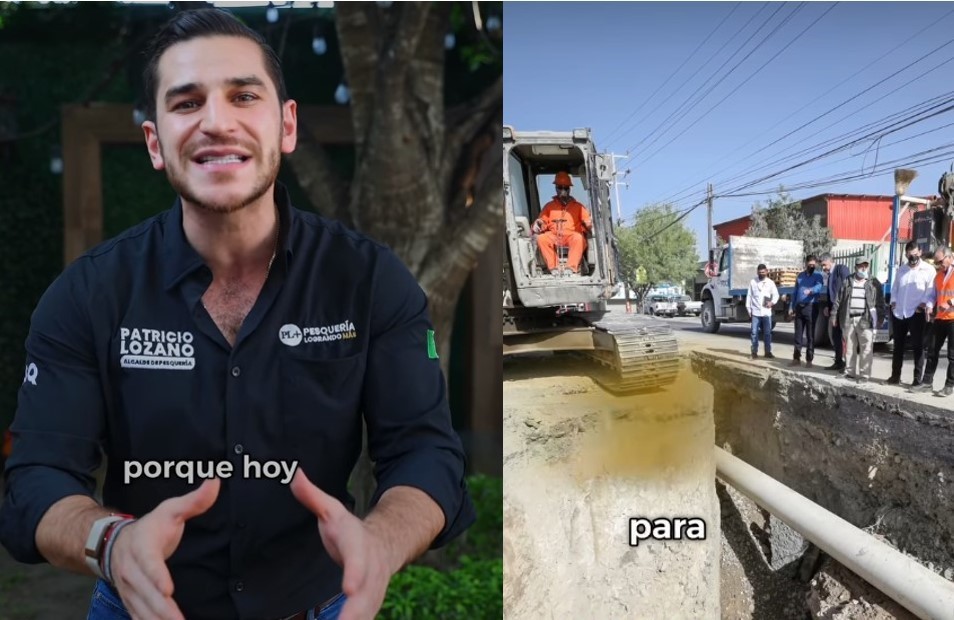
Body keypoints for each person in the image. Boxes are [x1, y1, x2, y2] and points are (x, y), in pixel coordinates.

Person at [0, 9, 475, 620]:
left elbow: (425, 451)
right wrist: (111, 543)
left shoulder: (368, 280)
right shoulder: (89, 293)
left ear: (286, 126)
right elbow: (38, 475)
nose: (216, 123)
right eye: (186, 102)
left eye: (244, 96)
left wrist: (379, 542)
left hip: (319, 603)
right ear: (155, 143)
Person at [887, 241, 936, 386]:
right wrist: (893, 301)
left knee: (918, 347)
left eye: (915, 254)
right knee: (898, 347)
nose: (912, 257)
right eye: (909, 255)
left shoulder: (928, 270)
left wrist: (924, 304)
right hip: (899, 313)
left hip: (917, 313)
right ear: (906, 254)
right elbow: (895, 287)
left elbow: (931, 290)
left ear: (920, 252)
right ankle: (895, 376)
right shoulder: (901, 269)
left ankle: (917, 379)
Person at [831, 257, 883, 383]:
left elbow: (880, 302)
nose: (863, 268)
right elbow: (838, 299)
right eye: (861, 266)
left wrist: (880, 318)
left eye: (866, 265)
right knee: (849, 347)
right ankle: (850, 372)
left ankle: (864, 375)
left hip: (865, 319)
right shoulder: (848, 280)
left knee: (866, 348)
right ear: (855, 267)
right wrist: (834, 315)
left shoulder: (874, 282)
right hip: (849, 318)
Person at [912, 246, 954, 396]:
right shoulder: (938, 276)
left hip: (952, 319)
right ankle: (927, 383)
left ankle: (949, 385)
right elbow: (932, 295)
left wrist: (949, 303)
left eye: (940, 262)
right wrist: (929, 306)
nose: (938, 265)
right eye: (936, 263)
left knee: (952, 355)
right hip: (940, 319)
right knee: (932, 351)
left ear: (949, 257)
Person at [533, 171, 593, 275]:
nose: (563, 191)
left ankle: (571, 268)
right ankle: (553, 268)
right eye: (560, 187)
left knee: (578, 238)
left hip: (571, 236)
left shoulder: (579, 206)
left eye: (566, 188)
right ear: (556, 188)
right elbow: (542, 222)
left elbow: (587, 222)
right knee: (542, 238)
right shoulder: (549, 206)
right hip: (554, 235)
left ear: (569, 189)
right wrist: (538, 223)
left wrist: (590, 226)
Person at [788, 255, 825, 367]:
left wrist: (811, 290)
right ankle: (796, 358)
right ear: (806, 264)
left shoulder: (818, 276)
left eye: (814, 265)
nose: (812, 267)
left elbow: (819, 286)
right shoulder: (800, 276)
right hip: (799, 307)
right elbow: (795, 292)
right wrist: (791, 306)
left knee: (810, 334)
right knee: (798, 334)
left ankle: (809, 360)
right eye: (810, 265)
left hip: (811, 307)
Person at [820, 253, 851, 371]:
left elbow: (847, 288)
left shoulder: (841, 269)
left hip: (842, 309)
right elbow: (831, 293)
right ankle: (838, 361)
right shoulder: (830, 274)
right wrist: (829, 307)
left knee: (845, 337)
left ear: (830, 261)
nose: (823, 268)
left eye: (824, 265)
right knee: (835, 335)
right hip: (834, 310)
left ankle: (848, 364)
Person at [747, 264, 779, 360]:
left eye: (763, 272)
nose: (761, 274)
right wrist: (749, 309)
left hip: (766, 312)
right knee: (754, 332)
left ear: (766, 272)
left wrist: (772, 302)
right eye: (759, 272)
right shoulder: (753, 282)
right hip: (755, 312)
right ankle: (754, 352)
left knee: (767, 333)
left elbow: (776, 295)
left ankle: (768, 352)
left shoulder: (770, 283)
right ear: (757, 272)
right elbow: (749, 296)